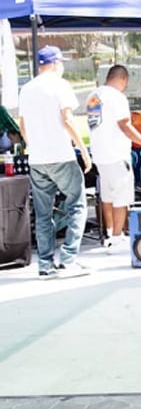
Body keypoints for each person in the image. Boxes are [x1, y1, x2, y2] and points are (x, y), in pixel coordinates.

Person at [17, 46, 93, 279]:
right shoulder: (61, 85)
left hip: (38, 159)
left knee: (43, 213)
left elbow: (22, 125)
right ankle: (68, 260)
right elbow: (67, 119)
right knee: (77, 204)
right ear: (56, 63)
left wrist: (34, 146)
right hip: (61, 155)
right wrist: (83, 150)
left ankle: (45, 264)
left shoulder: (27, 88)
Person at [86, 65, 141, 252]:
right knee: (121, 197)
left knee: (107, 196)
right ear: (124, 79)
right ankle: (117, 238)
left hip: (100, 154)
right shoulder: (117, 97)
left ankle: (110, 233)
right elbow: (125, 125)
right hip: (116, 153)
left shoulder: (94, 95)